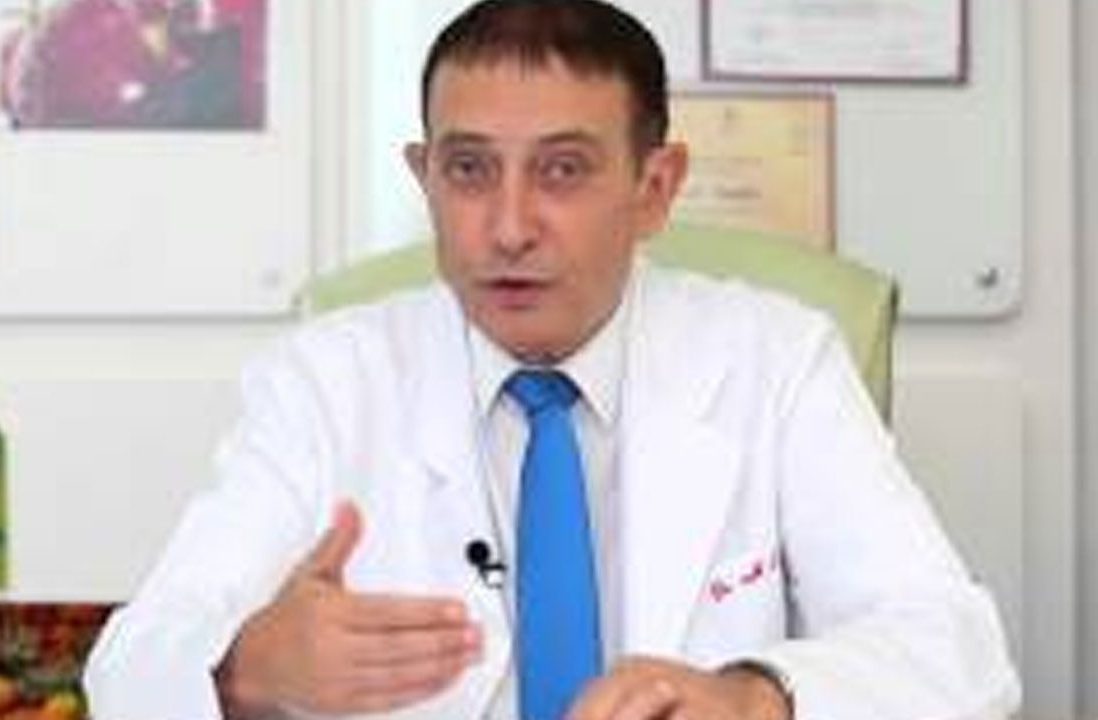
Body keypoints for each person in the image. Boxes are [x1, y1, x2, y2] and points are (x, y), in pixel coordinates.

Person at [83, 1, 1020, 718]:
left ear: (654, 188)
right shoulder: (325, 381)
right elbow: (124, 669)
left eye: (563, 170)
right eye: (469, 169)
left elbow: (961, 653)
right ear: (423, 177)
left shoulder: (777, 361)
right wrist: (245, 668)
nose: (508, 227)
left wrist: (754, 697)